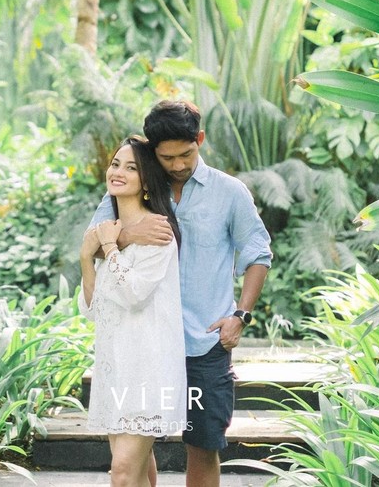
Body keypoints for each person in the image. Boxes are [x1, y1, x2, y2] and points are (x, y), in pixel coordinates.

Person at [89, 100, 273, 487]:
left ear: (200, 140)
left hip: (202, 343)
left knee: (203, 445)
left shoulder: (229, 192)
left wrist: (240, 314)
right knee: (139, 448)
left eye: (185, 154)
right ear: (152, 151)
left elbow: (258, 252)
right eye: (166, 156)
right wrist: (128, 233)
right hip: (143, 343)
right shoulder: (131, 188)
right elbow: (95, 242)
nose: (176, 165)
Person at [79, 136, 187, 487]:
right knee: (133, 475)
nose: (118, 172)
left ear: (146, 181)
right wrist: (86, 257)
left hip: (148, 369)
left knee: (123, 474)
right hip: (115, 368)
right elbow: (94, 309)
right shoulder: (105, 231)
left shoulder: (158, 231)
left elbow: (135, 294)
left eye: (131, 167)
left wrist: (109, 246)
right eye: (115, 164)